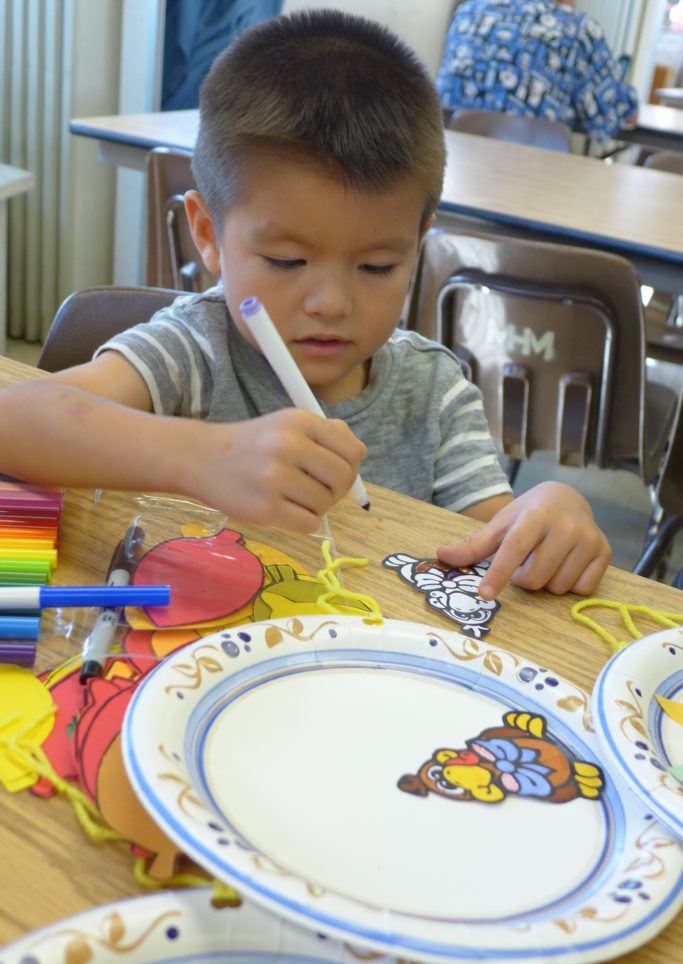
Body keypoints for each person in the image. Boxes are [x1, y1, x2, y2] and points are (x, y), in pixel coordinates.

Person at [0, 9, 610, 601]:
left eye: (377, 267)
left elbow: (495, 548)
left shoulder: (433, 392)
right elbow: (14, 423)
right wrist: (199, 457)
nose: (330, 302)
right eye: (287, 262)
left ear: (417, 246)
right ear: (208, 234)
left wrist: (551, 513)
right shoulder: (196, 350)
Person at [437, 0, 638, 142]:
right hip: (534, 171)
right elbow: (622, 115)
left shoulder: (467, 12)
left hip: (454, 165)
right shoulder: (578, 27)